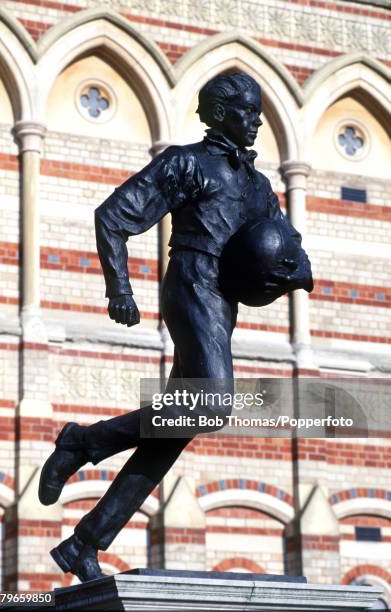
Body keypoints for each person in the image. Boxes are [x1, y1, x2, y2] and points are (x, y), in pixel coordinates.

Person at [39, 72, 306, 582]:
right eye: (247, 112)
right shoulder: (187, 162)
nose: (256, 121)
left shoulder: (258, 185)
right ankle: (82, 442)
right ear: (220, 113)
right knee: (212, 404)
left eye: (258, 112)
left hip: (222, 301)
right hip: (189, 284)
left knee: (170, 432)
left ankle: (84, 543)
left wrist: (295, 274)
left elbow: (284, 244)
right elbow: (113, 216)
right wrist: (120, 287)